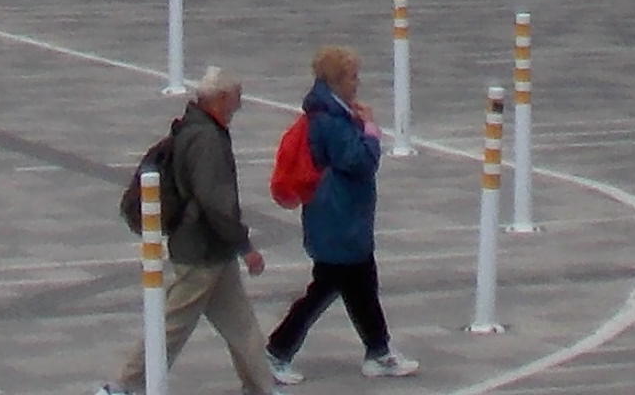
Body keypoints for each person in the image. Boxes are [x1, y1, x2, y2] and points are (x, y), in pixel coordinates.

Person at [106, 69, 276, 395]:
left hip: (212, 249)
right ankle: (124, 385)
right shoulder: (207, 139)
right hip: (201, 249)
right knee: (173, 324)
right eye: (237, 94)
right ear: (221, 98)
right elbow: (215, 201)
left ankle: (261, 387)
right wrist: (245, 246)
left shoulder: (195, 127)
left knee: (241, 325)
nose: (240, 101)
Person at [264, 44, 417, 379]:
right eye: (352, 77)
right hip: (338, 218)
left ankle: (378, 349)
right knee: (327, 288)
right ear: (334, 80)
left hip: (341, 218)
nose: (356, 83)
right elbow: (360, 162)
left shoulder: (331, 113)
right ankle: (277, 351)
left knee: (361, 285)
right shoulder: (331, 121)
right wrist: (371, 131)